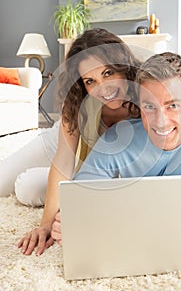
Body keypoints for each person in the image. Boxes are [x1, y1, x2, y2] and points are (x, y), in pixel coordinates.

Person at [51, 52, 181, 246]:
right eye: (149, 106)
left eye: (172, 105)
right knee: (30, 186)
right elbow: (80, 197)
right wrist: (69, 220)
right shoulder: (117, 139)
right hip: (60, 138)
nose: (160, 122)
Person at [17, 28, 141, 255]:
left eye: (108, 73)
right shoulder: (77, 102)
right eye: (90, 81)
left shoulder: (146, 95)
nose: (103, 88)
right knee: (15, 182)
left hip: (91, 165)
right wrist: (45, 225)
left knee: (29, 187)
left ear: (124, 66)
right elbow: (64, 160)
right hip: (61, 142)